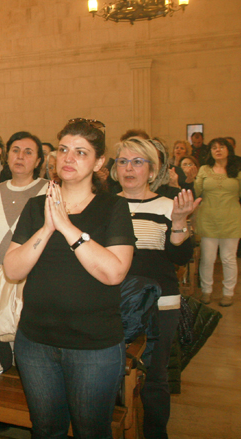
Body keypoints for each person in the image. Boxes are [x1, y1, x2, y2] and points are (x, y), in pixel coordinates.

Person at [3, 119, 135, 439]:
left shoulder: (113, 207)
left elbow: (114, 273)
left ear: (99, 162)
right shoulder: (37, 207)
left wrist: (67, 227)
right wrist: (47, 227)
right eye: (63, 150)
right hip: (36, 342)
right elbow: (13, 270)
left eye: (81, 152)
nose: (68, 158)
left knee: (91, 431)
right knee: (46, 429)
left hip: (93, 345)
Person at [112, 137, 197, 439]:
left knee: (155, 377)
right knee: (110, 373)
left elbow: (180, 257)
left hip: (161, 304)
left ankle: (155, 433)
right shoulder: (105, 205)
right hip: (114, 302)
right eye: (123, 161)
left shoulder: (167, 206)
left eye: (137, 162)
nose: (129, 168)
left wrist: (179, 221)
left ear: (152, 170)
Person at [195, 137, 241, 307]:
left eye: (222, 147)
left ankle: (228, 293)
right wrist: (192, 179)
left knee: (228, 258)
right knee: (207, 259)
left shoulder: (237, 169)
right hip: (208, 219)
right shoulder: (204, 169)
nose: (218, 150)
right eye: (214, 147)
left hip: (231, 219)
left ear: (229, 150)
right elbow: (196, 192)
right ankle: (206, 291)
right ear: (210, 152)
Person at [0, 132, 48, 263]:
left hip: (34, 268)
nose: (20, 156)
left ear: (38, 161)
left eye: (28, 152)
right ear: (7, 157)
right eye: (15, 151)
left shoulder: (49, 190)